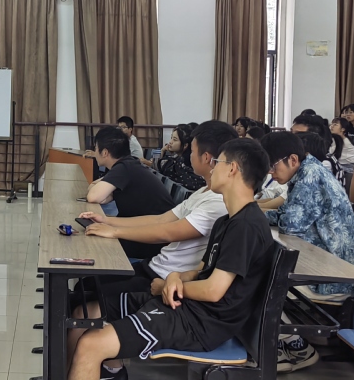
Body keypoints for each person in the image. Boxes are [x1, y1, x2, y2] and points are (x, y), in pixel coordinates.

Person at [67, 138, 273, 380]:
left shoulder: (246, 226)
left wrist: (168, 284)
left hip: (201, 322)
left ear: (232, 169)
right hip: (185, 304)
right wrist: (176, 276)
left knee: (91, 344)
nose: (213, 167)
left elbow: (213, 290)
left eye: (218, 162)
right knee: (83, 313)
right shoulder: (226, 221)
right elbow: (199, 271)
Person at [75, 121, 237, 301]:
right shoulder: (202, 192)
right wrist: (107, 221)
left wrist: (114, 231)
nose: (189, 156)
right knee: (86, 285)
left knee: (85, 294)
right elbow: (161, 219)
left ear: (206, 158)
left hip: (165, 278)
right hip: (157, 265)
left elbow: (168, 232)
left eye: (191, 151)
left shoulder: (217, 201)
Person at [260, 132, 354, 296]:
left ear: (293, 159)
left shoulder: (310, 175)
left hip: (333, 275)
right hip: (325, 260)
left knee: (261, 281)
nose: (270, 172)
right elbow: (286, 214)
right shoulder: (305, 170)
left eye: (272, 166)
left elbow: (290, 226)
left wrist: (258, 214)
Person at [86, 127, 175, 259]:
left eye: (96, 148)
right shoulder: (128, 164)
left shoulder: (124, 167)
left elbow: (93, 196)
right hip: (143, 229)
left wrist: (98, 185)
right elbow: (102, 198)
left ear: (104, 152)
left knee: (94, 242)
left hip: (151, 240)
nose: (94, 152)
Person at [143, 124, 206, 191]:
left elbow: (154, 165)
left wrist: (162, 150)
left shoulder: (179, 164)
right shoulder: (176, 157)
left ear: (185, 145)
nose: (170, 142)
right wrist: (162, 150)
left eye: (175, 140)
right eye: (171, 138)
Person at [291, 114, 345, 187]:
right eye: (291, 132)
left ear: (314, 136)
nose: (291, 137)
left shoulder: (322, 163)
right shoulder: (304, 157)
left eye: (298, 134)